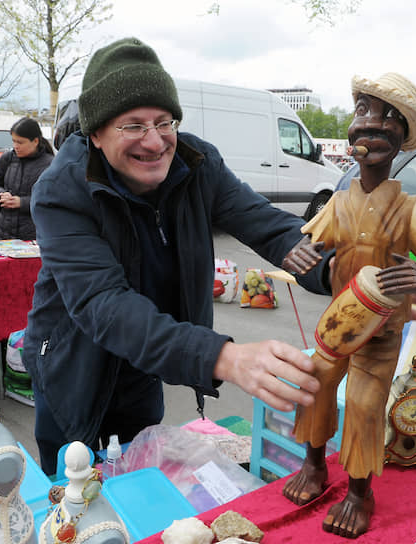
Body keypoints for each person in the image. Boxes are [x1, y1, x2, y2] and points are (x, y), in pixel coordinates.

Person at [23, 37, 329, 476]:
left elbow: (272, 228)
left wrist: (343, 270)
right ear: (95, 133)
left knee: (139, 475)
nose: (154, 142)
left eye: (164, 121)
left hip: (146, 360)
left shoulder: (198, 164)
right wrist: (226, 358)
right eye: (133, 125)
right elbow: (103, 304)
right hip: (73, 365)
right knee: (73, 497)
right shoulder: (61, 191)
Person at [280, 73, 416, 538]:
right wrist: (297, 253)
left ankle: (359, 493)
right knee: (314, 382)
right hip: (336, 327)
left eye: (389, 118)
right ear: (351, 128)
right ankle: (314, 466)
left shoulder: (411, 209)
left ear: (403, 140)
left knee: (366, 404)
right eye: (365, 112)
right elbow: (305, 245)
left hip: (381, 337)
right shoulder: (339, 201)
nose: (374, 125)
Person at [0, 117, 54, 241]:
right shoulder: (7, 158)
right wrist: (0, 195)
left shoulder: (50, 164)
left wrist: (22, 203)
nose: (16, 146)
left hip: (33, 236)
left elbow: (54, 199)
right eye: (14, 141)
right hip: (2, 235)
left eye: (20, 142)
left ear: (35, 141)